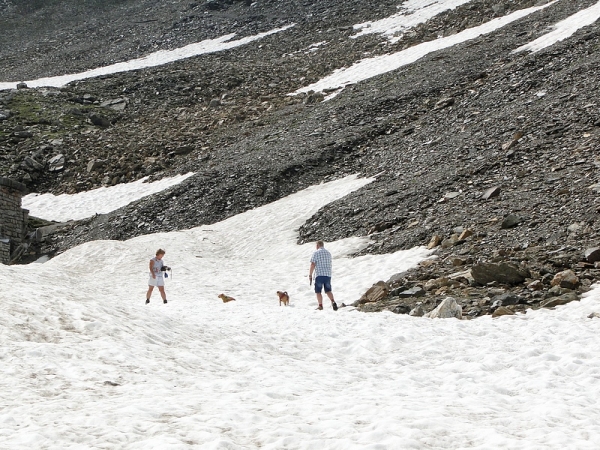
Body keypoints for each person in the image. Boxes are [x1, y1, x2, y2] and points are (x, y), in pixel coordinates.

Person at [308, 240, 338, 311]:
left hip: (319, 274)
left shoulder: (316, 253)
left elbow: (313, 264)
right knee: (328, 290)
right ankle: (333, 301)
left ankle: (320, 305)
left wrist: (310, 274)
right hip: (328, 275)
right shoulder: (328, 253)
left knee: (318, 291)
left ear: (317, 245)